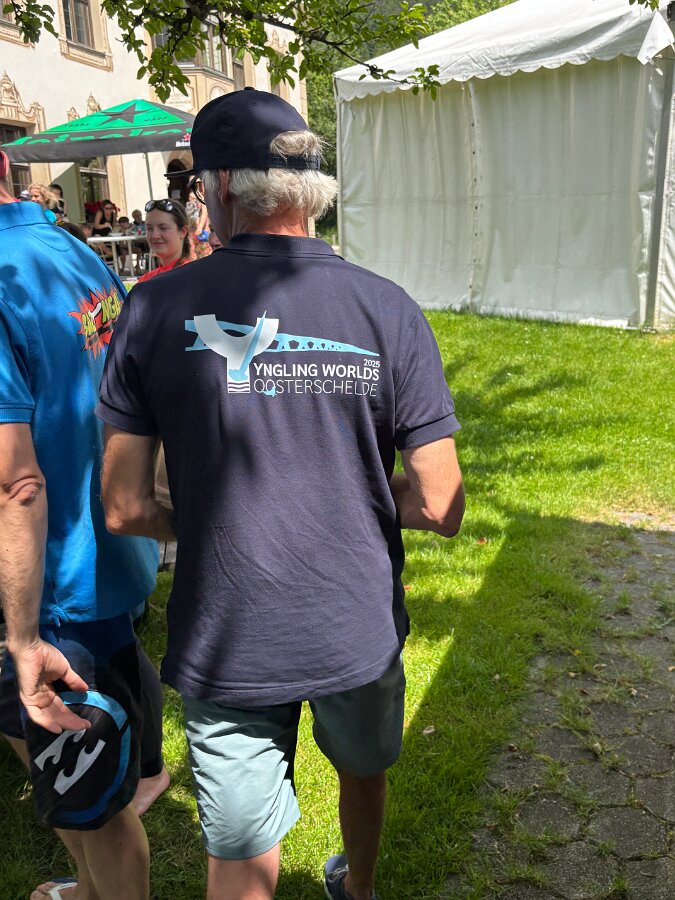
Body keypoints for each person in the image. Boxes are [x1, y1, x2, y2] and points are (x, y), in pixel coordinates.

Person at [96, 88, 465, 900]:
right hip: (353, 617)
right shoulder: (387, 308)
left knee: (240, 849)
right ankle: (357, 887)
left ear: (222, 185)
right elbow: (441, 504)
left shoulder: (153, 306)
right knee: (362, 765)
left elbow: (122, 506)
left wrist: (204, 515)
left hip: (229, 624)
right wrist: (355, 496)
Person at [0, 149, 160, 900]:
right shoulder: (70, 250)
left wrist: (22, 635)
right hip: (103, 560)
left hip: (53, 587)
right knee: (64, 767)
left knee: (94, 795)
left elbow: (17, 484)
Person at [139, 198, 193, 282]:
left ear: (183, 231)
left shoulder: (193, 276)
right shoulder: (145, 280)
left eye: (163, 228)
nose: (155, 235)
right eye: (149, 228)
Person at [186, 185, 212, 259]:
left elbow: (204, 213)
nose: (192, 200)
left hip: (201, 231)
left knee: (204, 251)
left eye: (194, 199)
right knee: (194, 252)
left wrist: (200, 227)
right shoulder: (191, 203)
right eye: (190, 198)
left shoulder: (202, 198)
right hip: (193, 230)